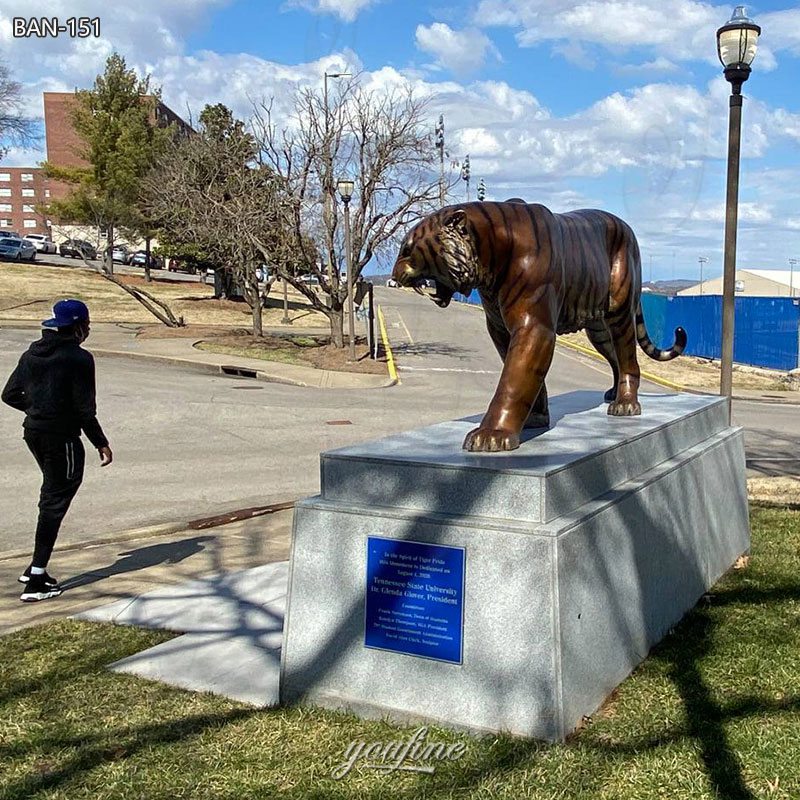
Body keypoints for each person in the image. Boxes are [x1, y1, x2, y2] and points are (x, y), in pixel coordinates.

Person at [2, 299, 113, 602]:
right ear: (77, 326)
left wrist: (38, 409)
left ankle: (35, 567)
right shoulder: (78, 358)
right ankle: (36, 579)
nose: (88, 330)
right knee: (55, 500)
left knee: (53, 494)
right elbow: (84, 410)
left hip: (34, 433)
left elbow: (9, 395)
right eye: (87, 325)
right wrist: (100, 442)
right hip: (61, 437)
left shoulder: (32, 353)